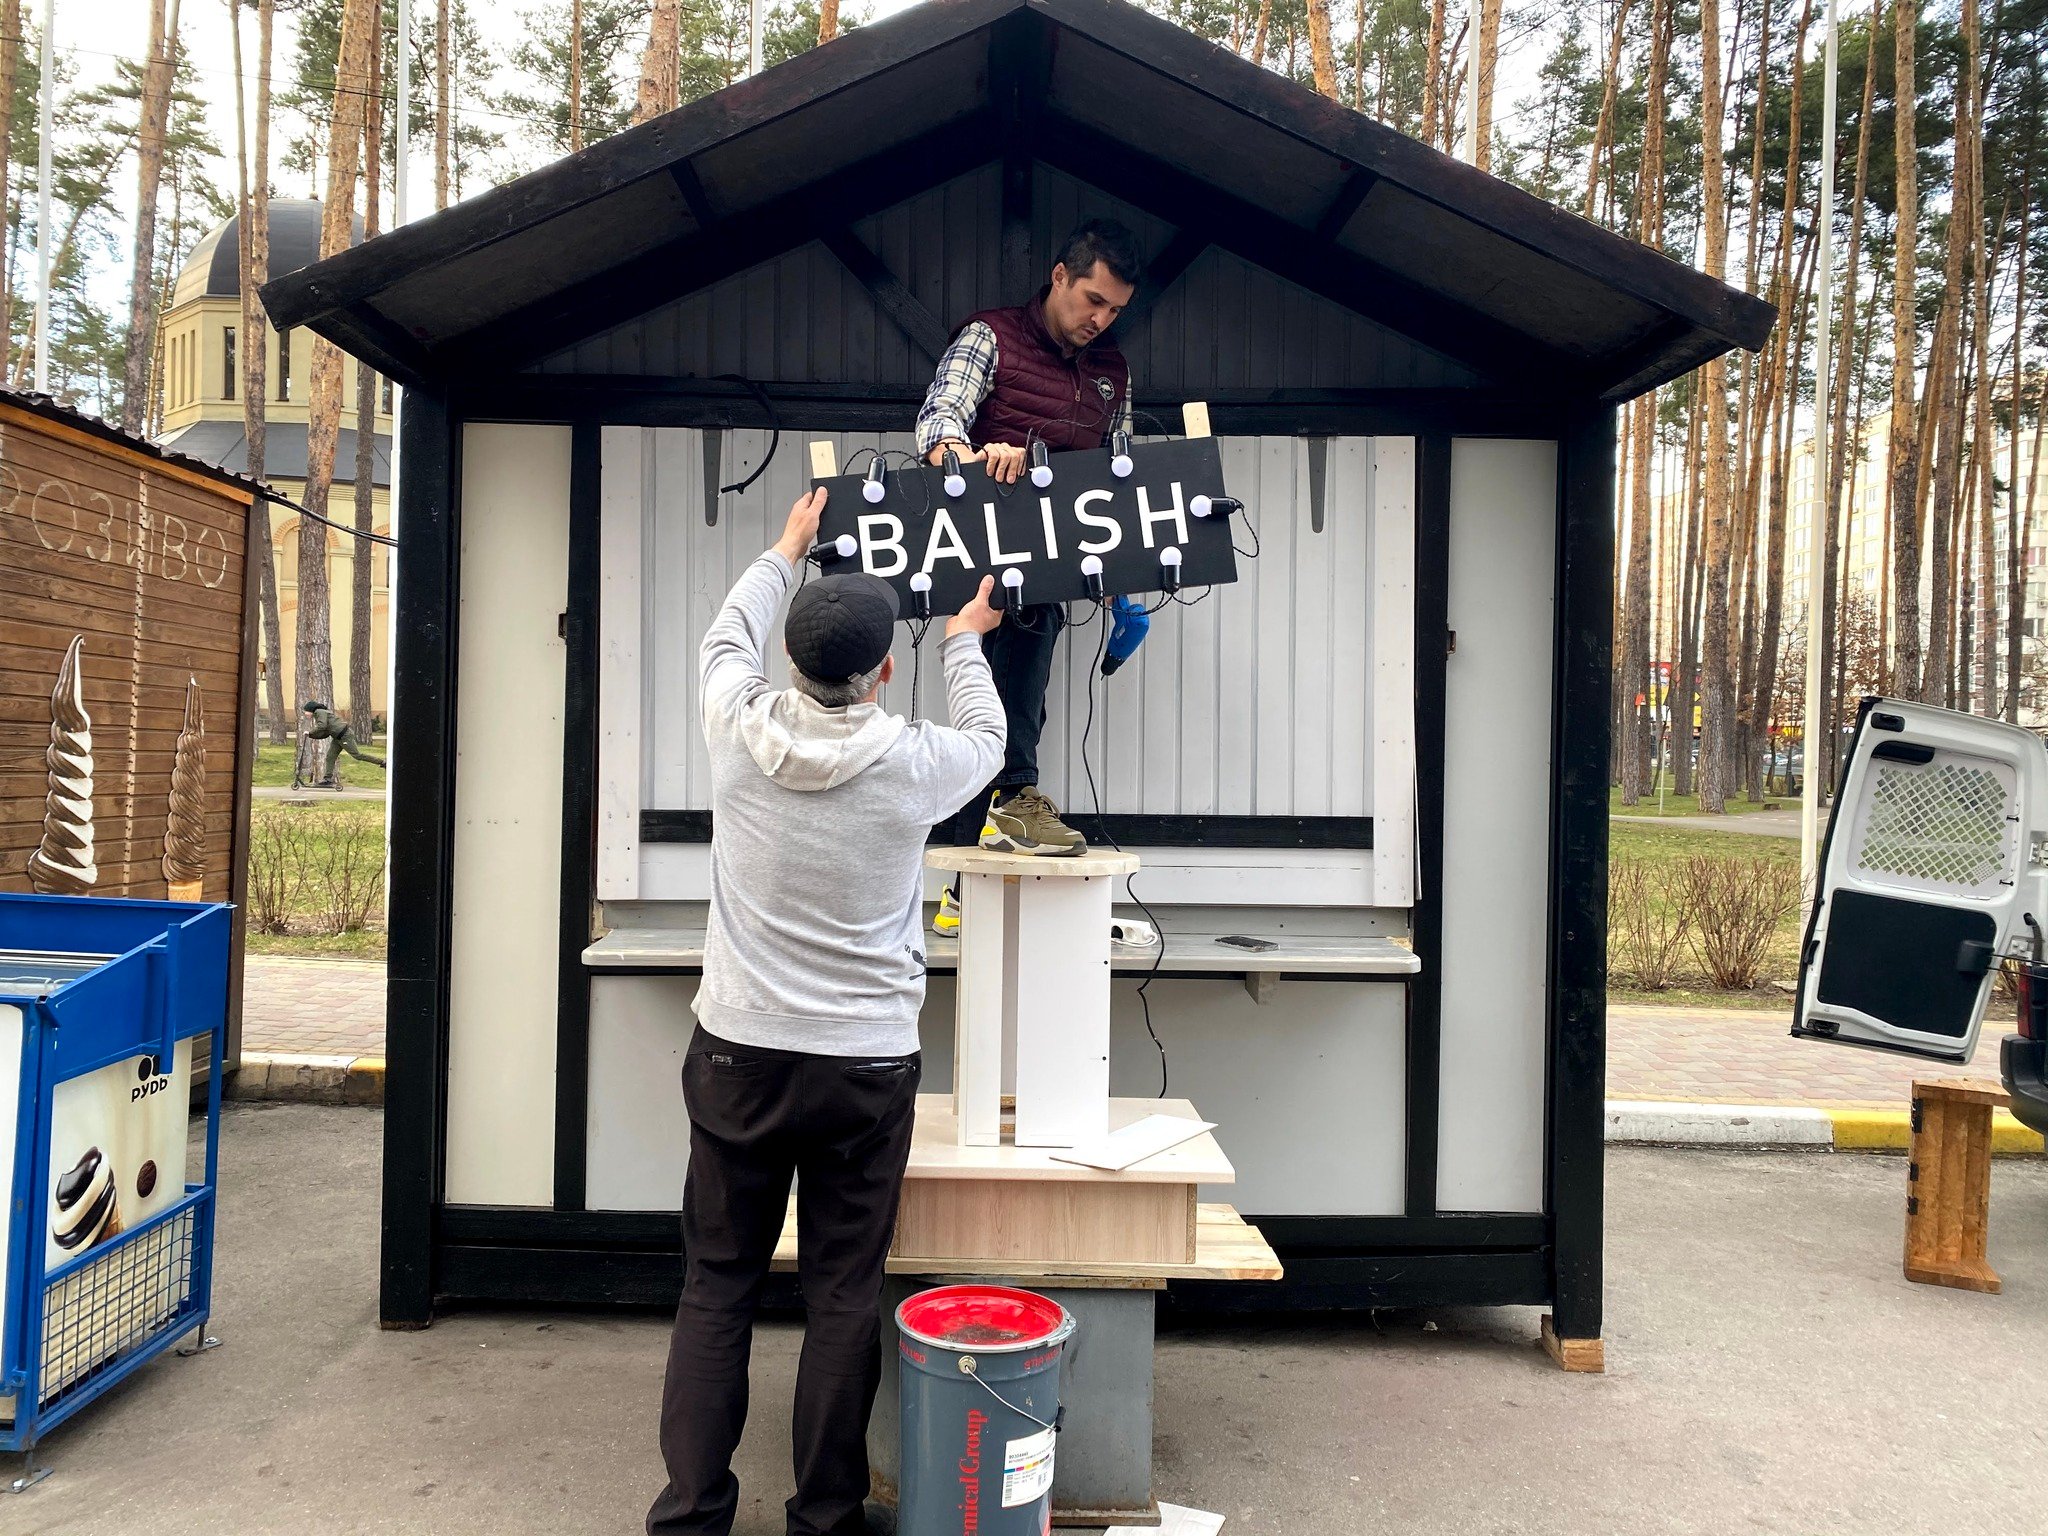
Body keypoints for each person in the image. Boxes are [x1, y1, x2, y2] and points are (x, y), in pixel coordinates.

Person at [646, 485, 1006, 1536]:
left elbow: (725, 634)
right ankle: (825, 1519)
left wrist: (784, 546)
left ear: (788, 660)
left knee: (717, 1284)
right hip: (864, 1066)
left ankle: (692, 1516)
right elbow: (987, 735)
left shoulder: (735, 720)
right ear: (882, 670)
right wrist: (964, 639)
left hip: (738, 1054)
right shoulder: (918, 763)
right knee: (843, 1294)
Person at [915, 217, 1142, 915]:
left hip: (1053, 565)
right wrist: (977, 460)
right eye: (1093, 300)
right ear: (1059, 276)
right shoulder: (991, 337)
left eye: (1115, 310)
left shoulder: (1111, 373)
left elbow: (1118, 478)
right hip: (979, 562)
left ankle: (963, 892)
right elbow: (937, 425)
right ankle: (1015, 799)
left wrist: (1123, 584)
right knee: (1010, 691)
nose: (1100, 320)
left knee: (1012, 705)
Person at [298, 700, 384, 787]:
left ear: (311, 710)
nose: (305, 714)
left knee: (357, 755)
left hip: (344, 736)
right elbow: (325, 733)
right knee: (330, 756)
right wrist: (311, 735)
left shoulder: (319, 712)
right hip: (337, 737)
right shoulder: (319, 714)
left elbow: (322, 726)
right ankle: (327, 779)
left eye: (306, 711)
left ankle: (382, 762)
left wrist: (310, 732)